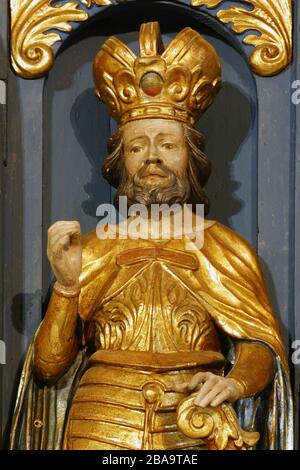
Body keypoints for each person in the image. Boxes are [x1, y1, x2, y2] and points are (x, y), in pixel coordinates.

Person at [10, 22, 293, 450]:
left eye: (167, 144)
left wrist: (234, 385)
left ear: (191, 157)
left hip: (194, 420)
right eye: (137, 147)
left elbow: (258, 348)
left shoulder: (224, 249)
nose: (152, 157)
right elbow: (50, 367)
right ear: (120, 162)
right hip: (103, 421)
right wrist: (68, 287)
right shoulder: (94, 249)